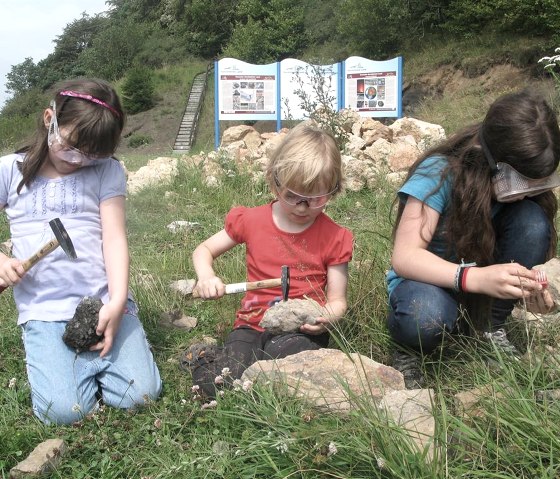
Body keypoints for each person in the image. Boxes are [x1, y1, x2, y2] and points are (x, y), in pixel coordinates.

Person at [0, 79, 162, 424]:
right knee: (63, 413)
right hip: (44, 309)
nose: (79, 160)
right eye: (72, 147)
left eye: (93, 154)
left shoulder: (106, 170)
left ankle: (104, 355)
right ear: (49, 119)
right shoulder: (7, 170)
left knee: (141, 396)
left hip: (103, 300)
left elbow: (114, 238)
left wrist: (117, 302)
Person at [387, 90, 560, 388]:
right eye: (523, 182)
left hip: (481, 287)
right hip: (428, 284)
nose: (530, 192)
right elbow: (405, 257)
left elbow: (520, 254)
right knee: (424, 317)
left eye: (541, 182)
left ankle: (488, 328)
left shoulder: (523, 193)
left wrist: (533, 293)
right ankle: (408, 349)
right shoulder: (438, 173)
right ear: (489, 157)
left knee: (532, 222)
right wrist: (474, 278)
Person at [185, 122, 353, 398]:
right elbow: (203, 249)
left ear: (333, 191)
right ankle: (209, 360)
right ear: (275, 182)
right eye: (293, 196)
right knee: (225, 378)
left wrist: (327, 318)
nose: (302, 207)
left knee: (284, 362)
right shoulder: (252, 220)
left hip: (302, 330)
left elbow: (338, 300)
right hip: (251, 323)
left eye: (314, 199)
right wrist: (206, 276)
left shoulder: (334, 237)